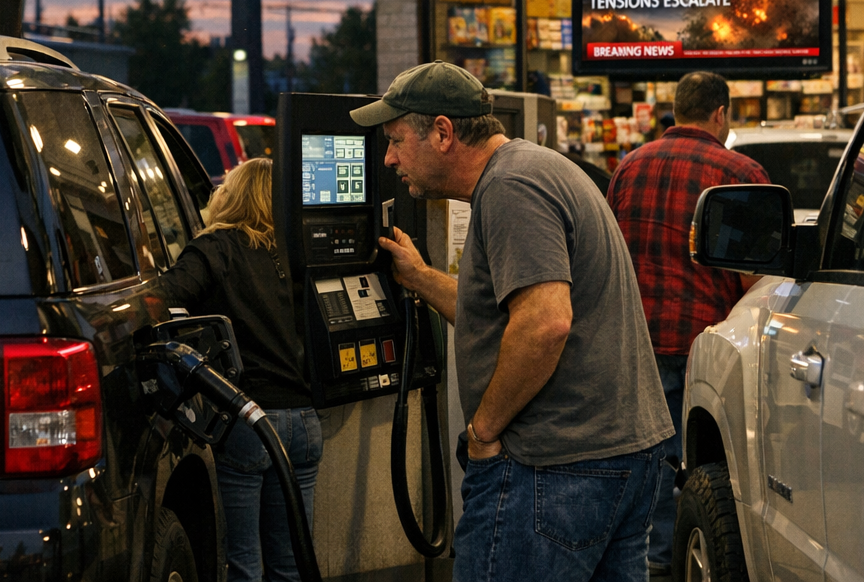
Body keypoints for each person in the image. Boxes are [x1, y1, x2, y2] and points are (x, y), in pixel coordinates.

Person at [350, 61, 673, 582]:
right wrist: (421, 278)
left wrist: (483, 431)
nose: (388, 159)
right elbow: (503, 316)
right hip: (619, 455)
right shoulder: (536, 168)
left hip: (556, 467)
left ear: (442, 132)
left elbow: (546, 324)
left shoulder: (511, 188)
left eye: (395, 140)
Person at [607, 72, 769, 576]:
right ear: (720, 113)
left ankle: (642, 565)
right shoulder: (740, 172)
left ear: (676, 110)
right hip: (707, 347)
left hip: (636, 343)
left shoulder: (627, 169)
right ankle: (673, 564)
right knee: (703, 475)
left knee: (642, 463)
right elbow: (754, 280)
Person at [141, 158, 322, 582]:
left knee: (243, 563)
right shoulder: (296, 254)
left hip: (248, 422)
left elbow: (161, 298)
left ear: (232, 195)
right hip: (304, 422)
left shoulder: (216, 248)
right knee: (292, 562)